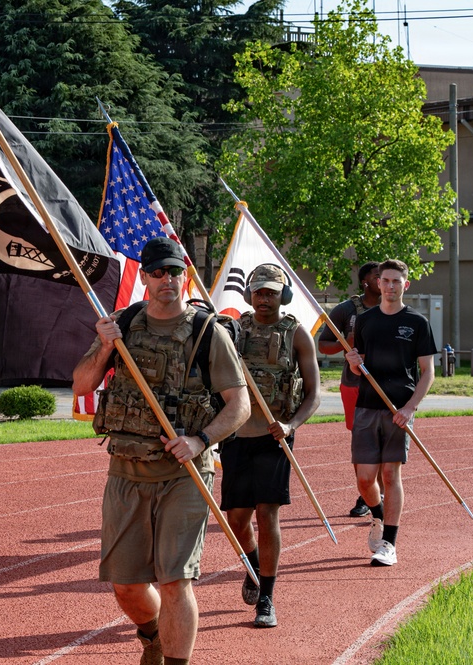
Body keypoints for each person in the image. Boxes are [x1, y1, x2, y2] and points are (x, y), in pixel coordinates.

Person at [72, 236, 250, 665]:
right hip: (127, 471)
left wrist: (200, 440)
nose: (167, 279)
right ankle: (153, 637)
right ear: (146, 279)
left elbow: (239, 404)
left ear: (184, 274)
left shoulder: (208, 333)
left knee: (175, 582)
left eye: (174, 271)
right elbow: (81, 385)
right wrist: (105, 346)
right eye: (158, 272)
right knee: (126, 585)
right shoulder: (122, 325)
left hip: (183, 473)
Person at [222, 264, 321, 628]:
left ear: (285, 296)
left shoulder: (296, 334)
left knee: (267, 514)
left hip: (275, 436)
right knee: (236, 519)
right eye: (259, 292)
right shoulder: (233, 330)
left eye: (271, 293)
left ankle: (267, 596)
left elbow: (313, 395)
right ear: (250, 294)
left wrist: (291, 424)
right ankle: (254, 563)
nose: (264, 299)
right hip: (235, 435)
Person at [344, 259, 436, 567]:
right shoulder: (366, 321)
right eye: (386, 280)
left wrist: (410, 409)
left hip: (398, 410)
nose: (391, 286)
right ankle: (379, 515)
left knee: (389, 473)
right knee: (364, 479)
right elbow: (359, 369)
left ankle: (389, 544)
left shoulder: (418, 323)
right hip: (367, 408)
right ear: (377, 283)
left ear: (405, 285)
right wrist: (354, 362)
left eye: (397, 281)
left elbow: (427, 372)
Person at [318, 261, 381, 518]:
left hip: (389, 385)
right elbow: (323, 344)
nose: (384, 281)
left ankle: (381, 491)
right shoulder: (346, 310)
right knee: (362, 443)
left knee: (386, 442)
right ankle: (366, 494)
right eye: (378, 276)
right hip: (355, 385)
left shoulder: (395, 309)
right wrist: (347, 345)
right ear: (365, 281)